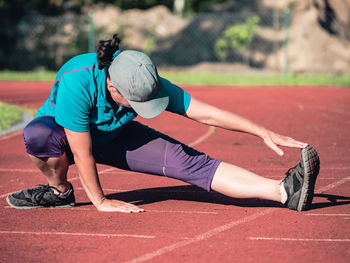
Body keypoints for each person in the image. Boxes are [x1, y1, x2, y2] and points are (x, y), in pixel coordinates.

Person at [6, 34, 319, 213]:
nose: (146, 108)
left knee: (192, 163)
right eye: (138, 104)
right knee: (37, 135)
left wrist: (261, 130)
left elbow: (206, 113)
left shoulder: (144, 80)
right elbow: (83, 151)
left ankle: (283, 191)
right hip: (66, 136)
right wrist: (101, 201)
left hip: (115, 136)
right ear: (113, 87)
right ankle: (59, 192)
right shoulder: (78, 82)